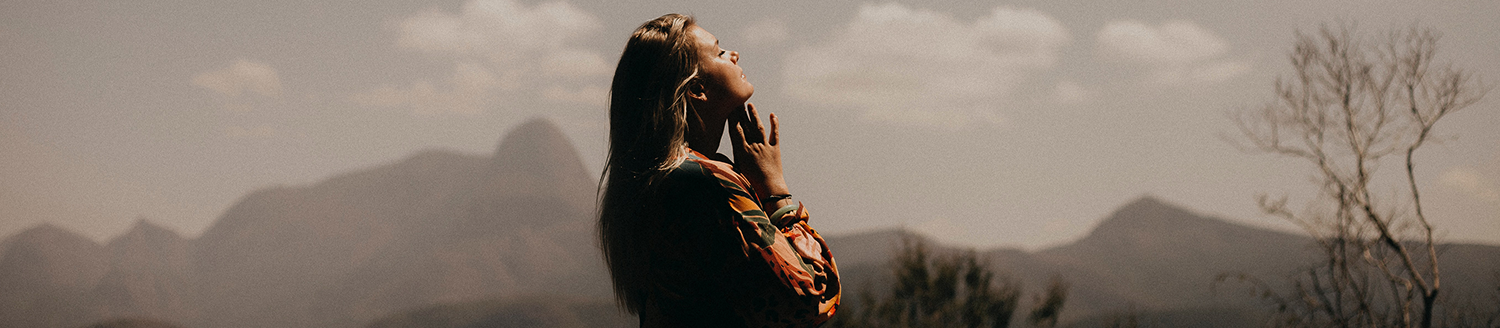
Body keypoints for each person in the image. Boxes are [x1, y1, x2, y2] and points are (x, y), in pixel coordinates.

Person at [597, 13, 841, 327]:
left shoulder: (665, 180)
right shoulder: (703, 183)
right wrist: (775, 191)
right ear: (697, 88)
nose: (734, 54)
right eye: (719, 52)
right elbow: (811, 300)